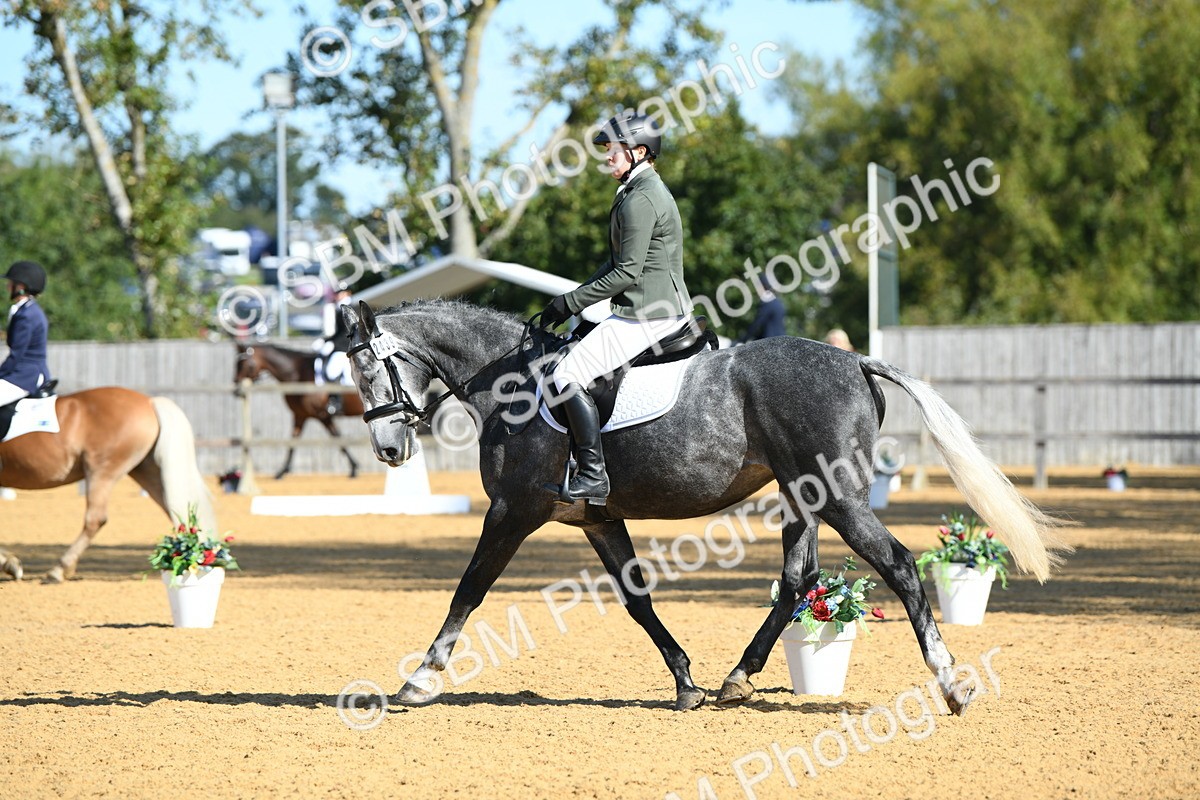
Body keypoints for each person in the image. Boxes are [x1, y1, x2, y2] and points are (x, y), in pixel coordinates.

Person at [539, 109, 693, 504]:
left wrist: (569, 303)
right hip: (651, 305)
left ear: (638, 151)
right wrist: (573, 299)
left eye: (613, 149)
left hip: (649, 312)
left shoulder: (641, 198)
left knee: (566, 373)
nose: (607, 156)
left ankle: (593, 475)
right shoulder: (639, 190)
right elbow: (615, 263)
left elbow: (626, 273)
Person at [0, 261, 51, 407]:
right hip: (23, 372)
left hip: (26, 376)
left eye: (11, 283)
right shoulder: (27, 310)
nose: (7, 287)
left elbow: (16, 355)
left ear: (20, 286)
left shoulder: (27, 315)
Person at [315, 286, 354, 415]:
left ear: (348, 293)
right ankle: (335, 401)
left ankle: (336, 402)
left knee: (331, 372)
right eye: (337, 293)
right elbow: (338, 332)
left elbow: (348, 332)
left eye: (341, 293)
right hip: (340, 346)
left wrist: (333, 343)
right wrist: (325, 341)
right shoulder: (339, 309)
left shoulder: (350, 309)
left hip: (345, 348)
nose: (338, 296)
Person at [736, 275, 786, 343]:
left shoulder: (768, 303)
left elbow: (756, 325)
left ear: (763, 287)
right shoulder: (778, 302)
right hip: (780, 341)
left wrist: (742, 340)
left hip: (770, 343)